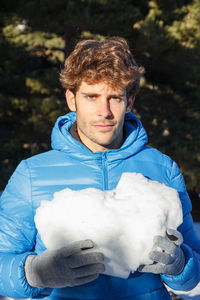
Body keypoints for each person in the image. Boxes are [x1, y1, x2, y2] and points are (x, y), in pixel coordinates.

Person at [0, 37, 200, 300]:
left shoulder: (162, 168)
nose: (103, 111)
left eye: (114, 97)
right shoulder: (31, 174)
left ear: (129, 102)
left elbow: (194, 268)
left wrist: (181, 265)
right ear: (72, 99)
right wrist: (35, 272)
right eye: (91, 97)